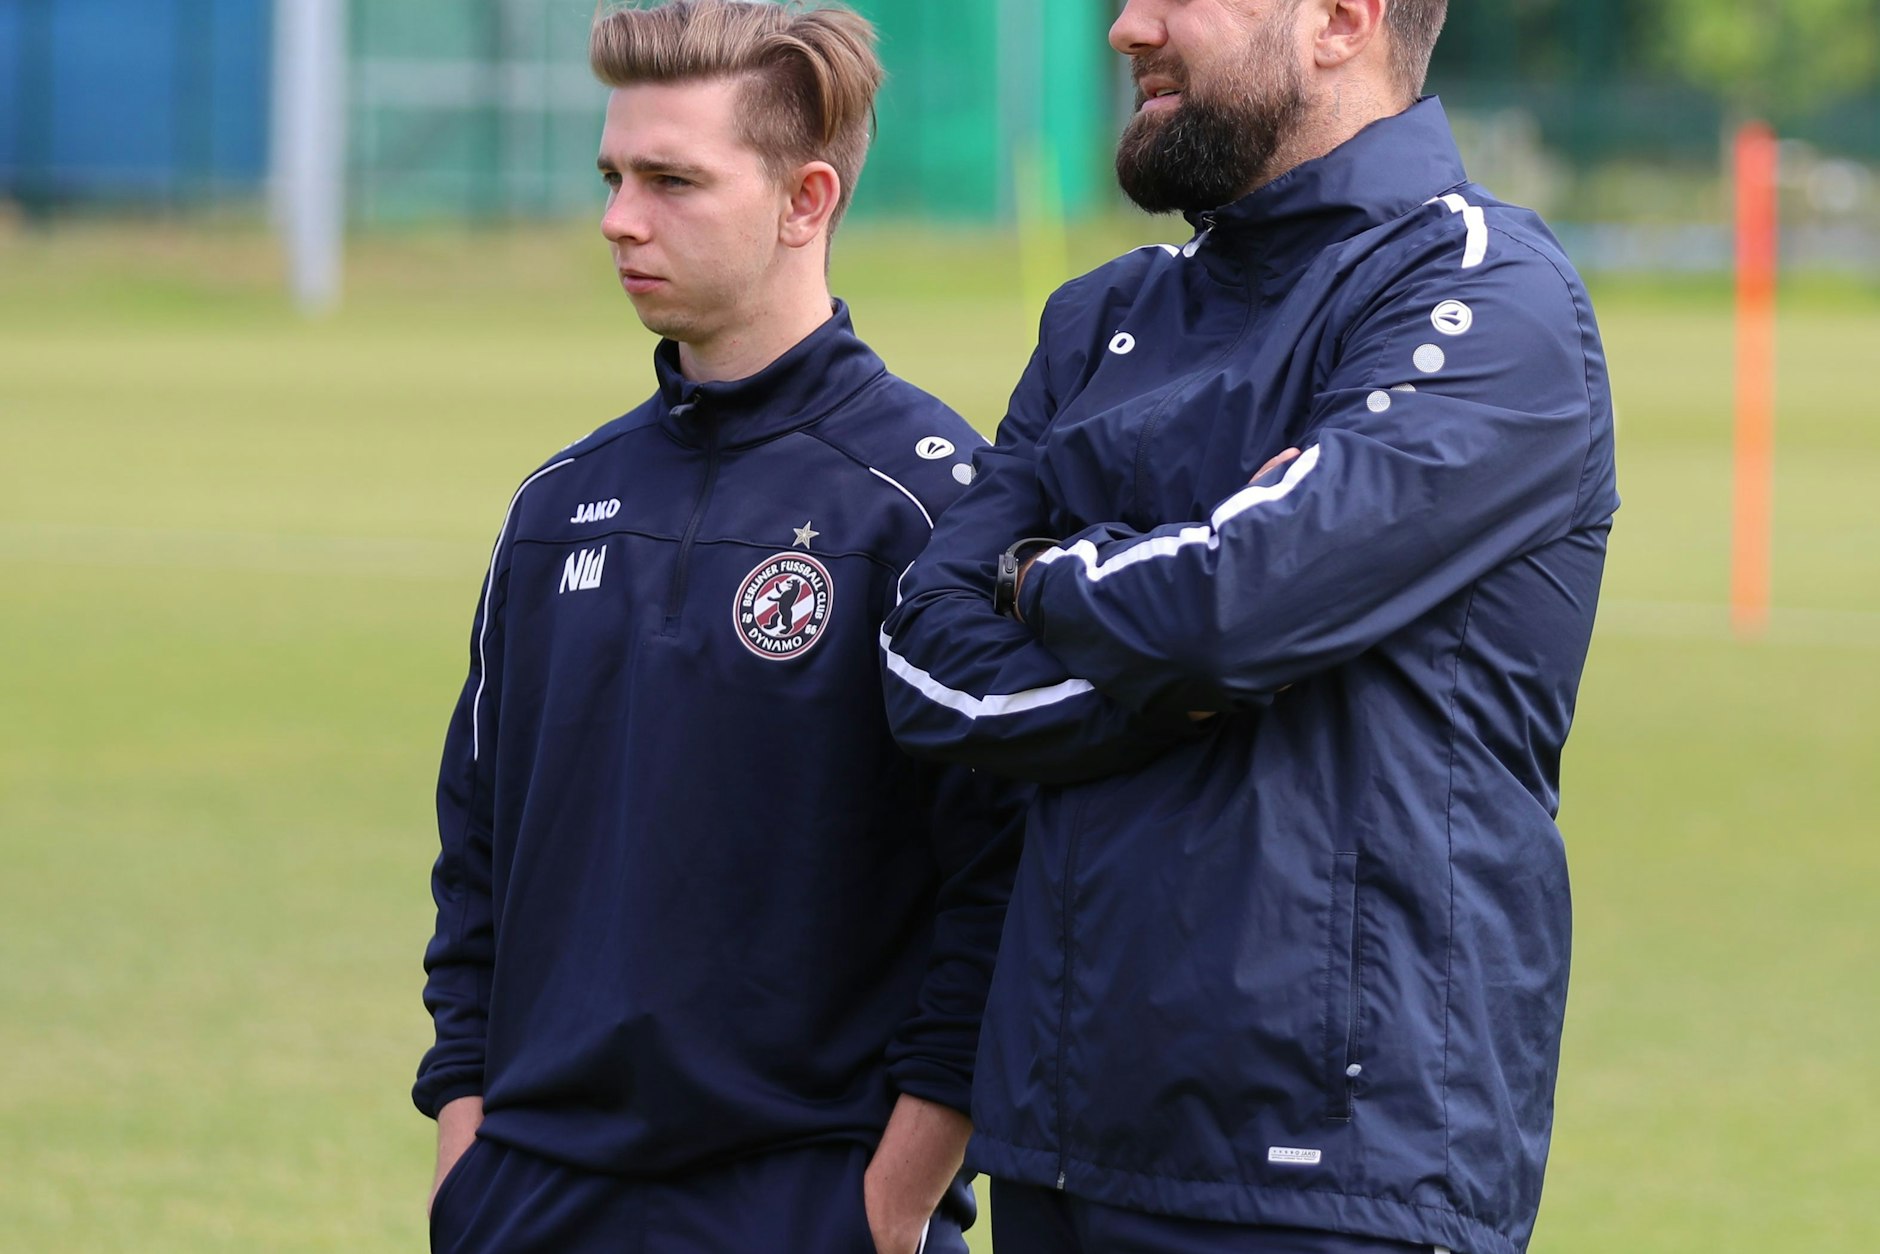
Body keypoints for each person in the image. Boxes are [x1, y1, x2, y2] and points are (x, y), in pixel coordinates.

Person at [879, 1, 1618, 1252]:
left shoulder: (1487, 294)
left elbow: (1219, 614)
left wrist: (1047, 579)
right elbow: (925, 657)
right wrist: (1192, 649)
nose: (1125, 29)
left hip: (1336, 1169)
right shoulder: (1098, 317)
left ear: (1339, 19)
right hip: (1059, 1135)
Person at [413, 4, 1022, 1251]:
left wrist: (889, 1202)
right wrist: (464, 1147)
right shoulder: (554, 505)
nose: (617, 218)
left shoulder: (929, 508)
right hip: (528, 1197)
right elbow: (477, 856)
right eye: (613, 175)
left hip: (798, 1206)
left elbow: (1000, 887)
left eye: (671, 180)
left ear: (805, 199)